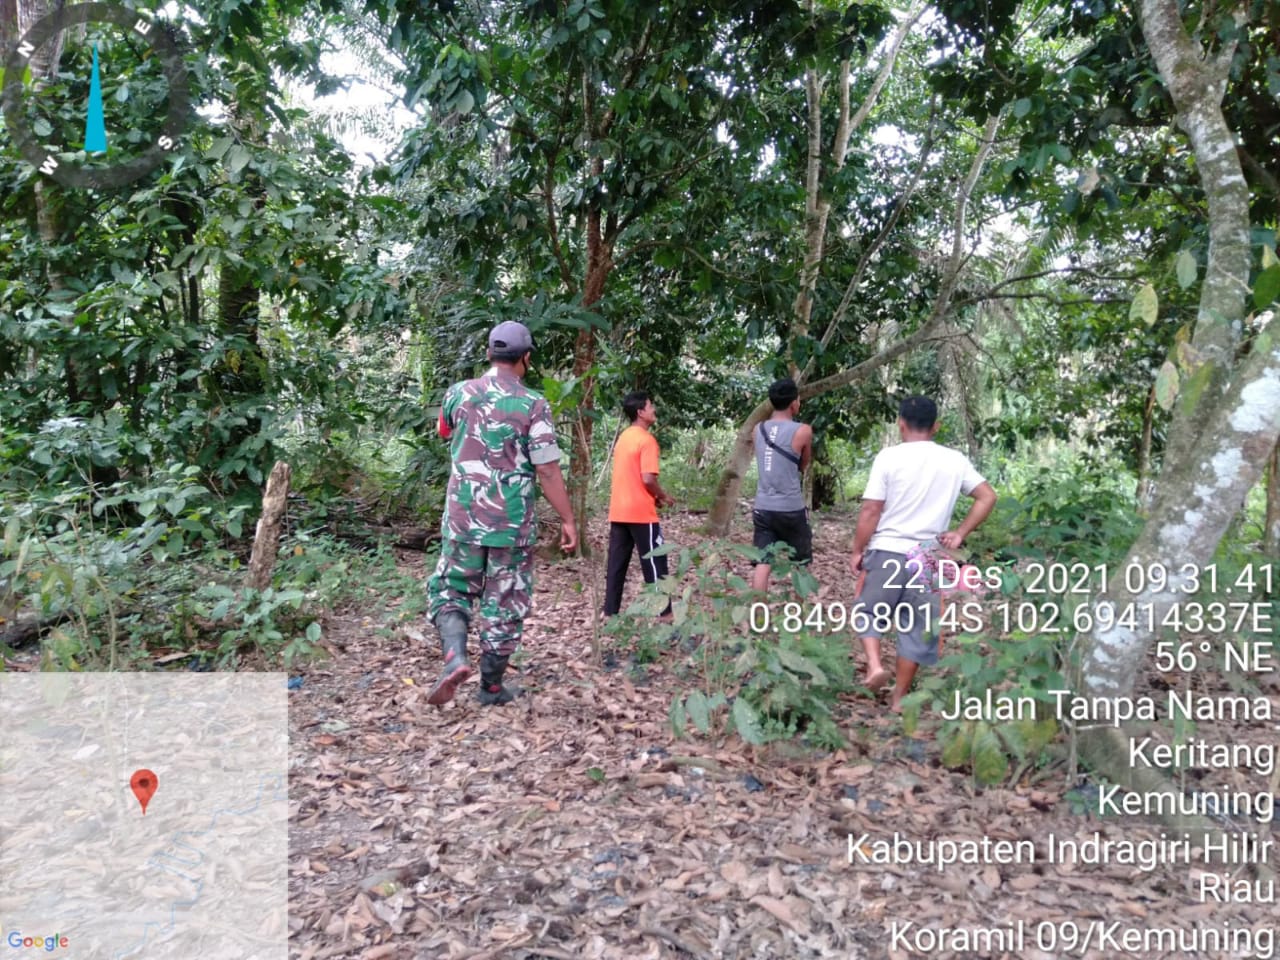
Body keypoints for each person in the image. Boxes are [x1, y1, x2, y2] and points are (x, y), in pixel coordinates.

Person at [426, 321, 578, 707]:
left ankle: (455, 658)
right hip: (510, 525)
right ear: (525, 357)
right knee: (504, 601)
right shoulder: (533, 404)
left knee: (451, 590)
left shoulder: (457, 393)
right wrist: (567, 518)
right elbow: (546, 468)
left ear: (489, 354)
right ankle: (490, 687)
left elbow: (445, 433)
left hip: (461, 519)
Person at [848, 396, 997, 712]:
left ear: (901, 423)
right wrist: (959, 533)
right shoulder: (955, 460)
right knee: (917, 628)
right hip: (927, 558)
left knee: (869, 611)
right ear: (936, 427)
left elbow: (872, 509)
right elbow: (987, 497)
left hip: (888, 550)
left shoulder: (889, 457)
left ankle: (875, 665)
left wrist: (858, 549)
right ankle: (899, 699)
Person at [602, 391, 676, 619]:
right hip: (641, 514)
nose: (654, 410)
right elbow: (647, 478)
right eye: (651, 406)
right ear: (641, 412)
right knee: (655, 564)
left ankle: (610, 613)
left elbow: (633, 477)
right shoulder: (646, 440)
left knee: (616, 566)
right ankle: (664, 614)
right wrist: (663, 497)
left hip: (619, 511)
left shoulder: (624, 437)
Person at [751, 377, 814, 592]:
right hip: (790, 508)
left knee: (763, 561)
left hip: (762, 507)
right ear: (793, 402)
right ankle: (798, 614)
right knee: (800, 563)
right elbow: (803, 465)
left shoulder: (757, 429)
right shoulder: (803, 430)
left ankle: (758, 614)